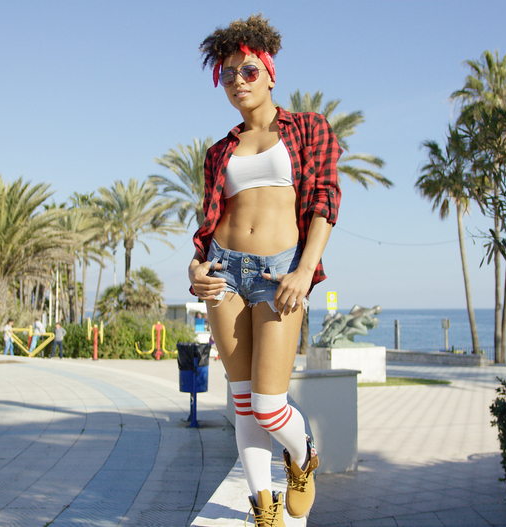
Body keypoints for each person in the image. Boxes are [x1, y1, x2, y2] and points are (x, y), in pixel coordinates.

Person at [188, 14, 341, 526]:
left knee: (270, 402)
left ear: (270, 74)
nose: (237, 81)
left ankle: (301, 456)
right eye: (227, 74)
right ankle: (263, 506)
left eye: (247, 71)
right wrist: (195, 266)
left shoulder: (309, 128)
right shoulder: (218, 152)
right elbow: (208, 223)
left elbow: (323, 202)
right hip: (223, 273)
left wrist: (305, 271)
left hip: (280, 274)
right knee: (242, 399)